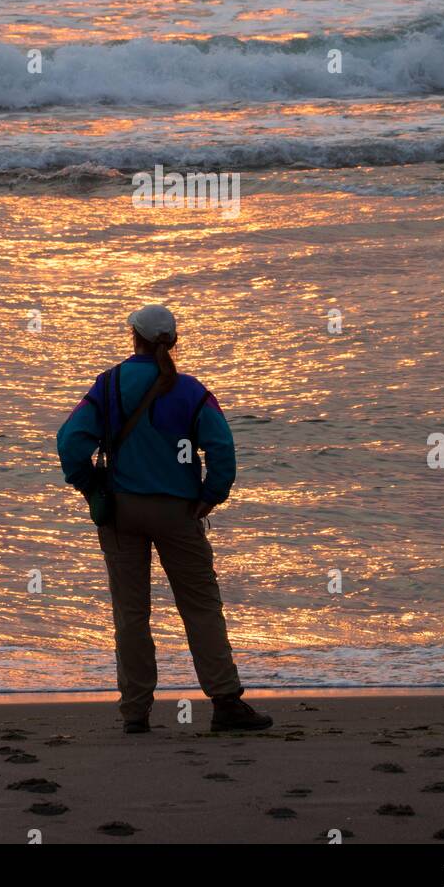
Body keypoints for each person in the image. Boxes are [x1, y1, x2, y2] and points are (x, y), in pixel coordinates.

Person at [57, 304, 273, 735]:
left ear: (132, 336)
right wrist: (210, 497)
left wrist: (89, 484)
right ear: (173, 342)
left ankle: (135, 712)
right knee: (200, 607)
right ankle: (226, 701)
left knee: (131, 614)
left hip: (121, 510)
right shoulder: (192, 391)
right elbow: (223, 450)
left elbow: (69, 441)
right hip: (177, 511)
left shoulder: (110, 383)